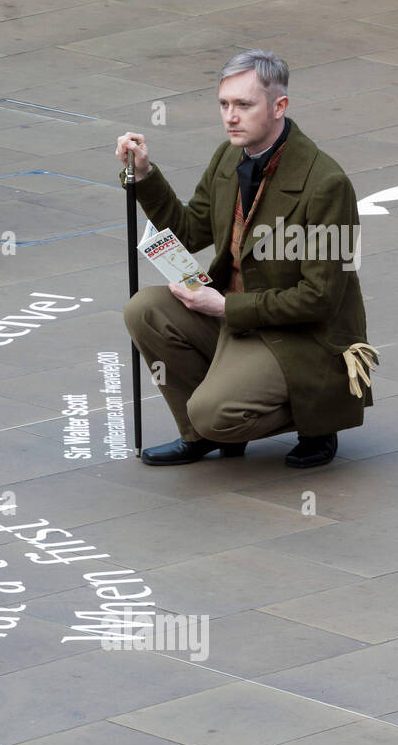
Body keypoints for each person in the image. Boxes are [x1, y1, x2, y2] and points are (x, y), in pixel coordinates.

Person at [116, 50, 376, 468]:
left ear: (279, 106)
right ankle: (200, 435)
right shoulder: (228, 156)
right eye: (224, 104)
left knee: (212, 412)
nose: (230, 117)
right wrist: (144, 175)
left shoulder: (328, 184)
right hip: (236, 317)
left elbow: (320, 298)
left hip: (298, 337)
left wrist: (225, 306)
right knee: (144, 309)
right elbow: (189, 231)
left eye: (243, 105)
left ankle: (318, 417)